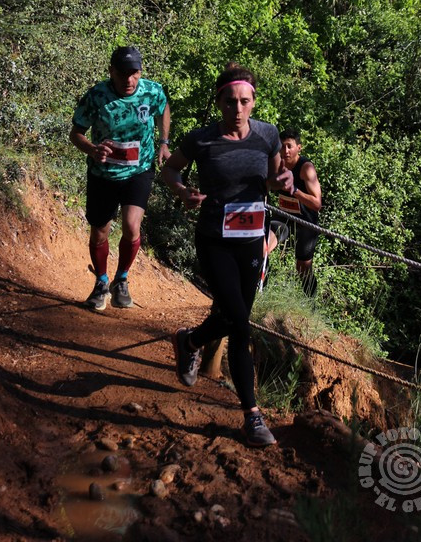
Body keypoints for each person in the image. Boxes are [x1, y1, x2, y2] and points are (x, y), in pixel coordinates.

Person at [161, 63, 294, 447]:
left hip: (252, 241)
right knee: (239, 324)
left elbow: (272, 180)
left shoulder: (268, 135)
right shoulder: (202, 139)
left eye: (245, 101)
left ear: (254, 102)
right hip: (214, 241)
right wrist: (183, 192)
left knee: (233, 317)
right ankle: (252, 416)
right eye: (230, 101)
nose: (238, 108)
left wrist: (282, 179)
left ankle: (189, 341)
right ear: (219, 101)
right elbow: (170, 170)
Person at [70, 46, 170, 311]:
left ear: (140, 72)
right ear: (111, 71)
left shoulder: (151, 91)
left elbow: (163, 108)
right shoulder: (96, 96)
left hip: (139, 170)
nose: (129, 79)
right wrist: (92, 149)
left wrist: (164, 142)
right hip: (103, 174)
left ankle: (121, 279)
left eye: (134, 73)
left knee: (131, 226)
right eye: (123, 73)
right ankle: (101, 282)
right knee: (100, 231)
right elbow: (76, 133)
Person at [276, 128, 322, 296]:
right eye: (282, 146)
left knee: (302, 266)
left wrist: (294, 190)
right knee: (263, 245)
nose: (286, 151)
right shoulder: (277, 163)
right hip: (284, 215)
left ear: (299, 148)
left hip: (305, 221)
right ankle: (256, 289)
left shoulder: (306, 168)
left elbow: (317, 203)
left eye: (289, 146)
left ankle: (310, 302)